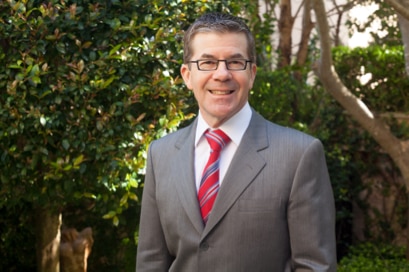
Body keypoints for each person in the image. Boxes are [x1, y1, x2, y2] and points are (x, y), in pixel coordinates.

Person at [136, 12, 337, 271]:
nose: (222, 74)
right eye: (207, 63)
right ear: (187, 75)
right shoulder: (160, 154)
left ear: (252, 74)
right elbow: (151, 261)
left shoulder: (299, 155)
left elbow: (315, 266)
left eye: (235, 62)